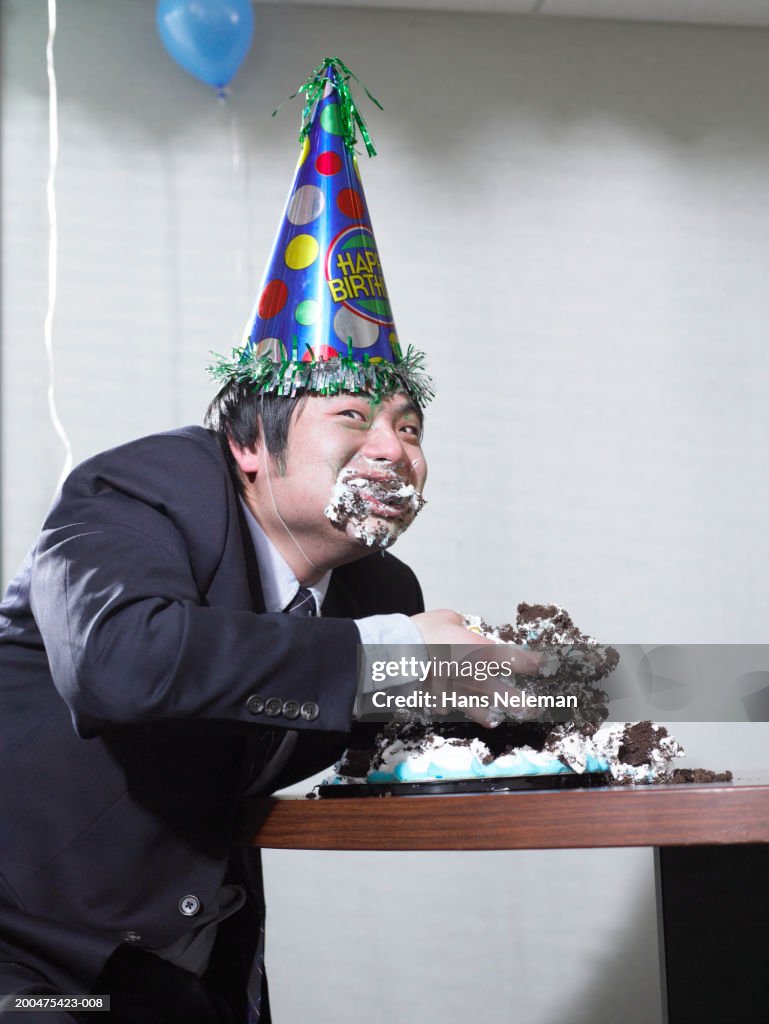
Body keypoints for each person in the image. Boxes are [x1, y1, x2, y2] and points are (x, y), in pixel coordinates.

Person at [0, 58, 540, 1022]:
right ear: (248, 445)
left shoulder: (377, 588)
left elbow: (373, 705)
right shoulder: (143, 491)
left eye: (410, 428)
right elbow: (119, 665)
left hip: (188, 963)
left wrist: (524, 694)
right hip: (27, 955)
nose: (394, 451)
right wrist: (390, 660)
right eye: (353, 418)